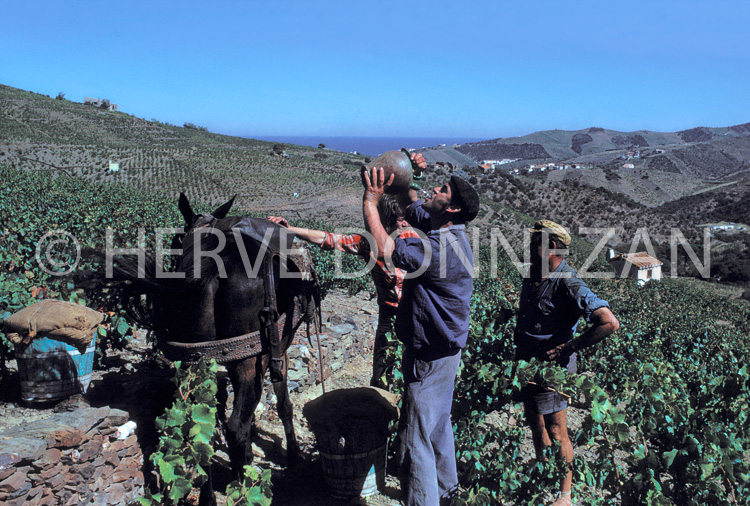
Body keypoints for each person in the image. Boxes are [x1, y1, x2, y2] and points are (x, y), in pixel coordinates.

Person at [362, 166, 479, 505]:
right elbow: (413, 204)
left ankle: (422, 500)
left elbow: (385, 249)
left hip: (428, 355)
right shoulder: (448, 231)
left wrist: (371, 202)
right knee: (438, 424)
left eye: (441, 189)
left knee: (415, 438)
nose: (434, 190)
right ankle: (448, 491)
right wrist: (406, 176)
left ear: (452, 207)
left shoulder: (437, 249)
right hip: (446, 351)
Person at [515, 220, 620, 506]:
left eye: (536, 242)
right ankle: (545, 471)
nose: (530, 247)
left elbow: (609, 322)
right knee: (536, 423)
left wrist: (569, 346)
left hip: (552, 371)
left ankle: (565, 495)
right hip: (527, 365)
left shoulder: (568, 281)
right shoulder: (534, 274)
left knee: (557, 429)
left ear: (550, 247)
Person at [267, 192, 419, 389]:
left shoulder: (413, 238)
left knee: (413, 372)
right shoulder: (368, 242)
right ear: (383, 222)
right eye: (399, 221)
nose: (404, 224)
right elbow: (329, 239)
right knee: (382, 373)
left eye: (404, 219)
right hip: (388, 314)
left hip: (416, 313)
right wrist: (290, 229)